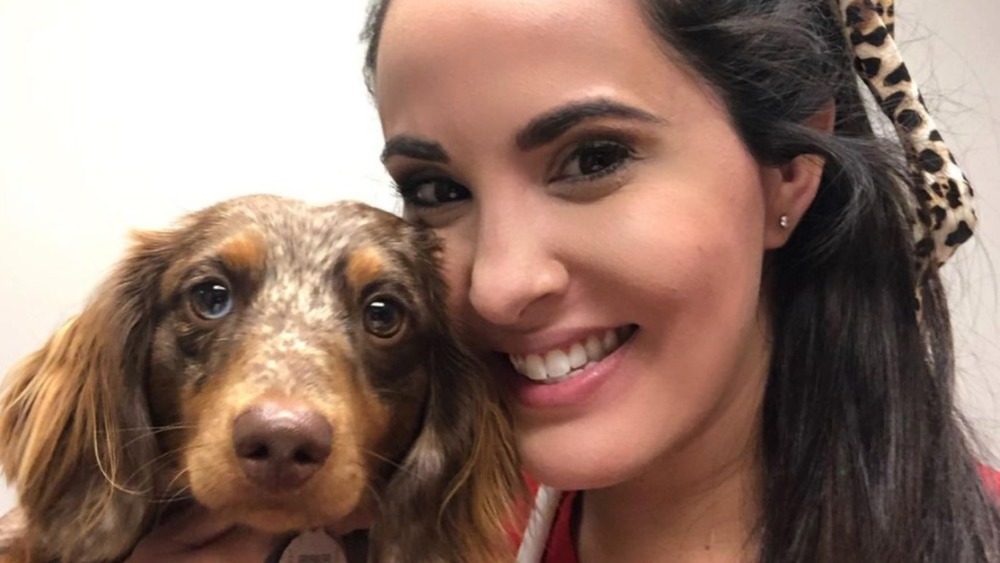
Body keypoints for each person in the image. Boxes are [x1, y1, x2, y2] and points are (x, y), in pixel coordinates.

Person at [129, 0, 1000, 561]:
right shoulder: (396, 532)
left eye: (594, 157)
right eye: (436, 191)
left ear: (787, 171)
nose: (499, 287)